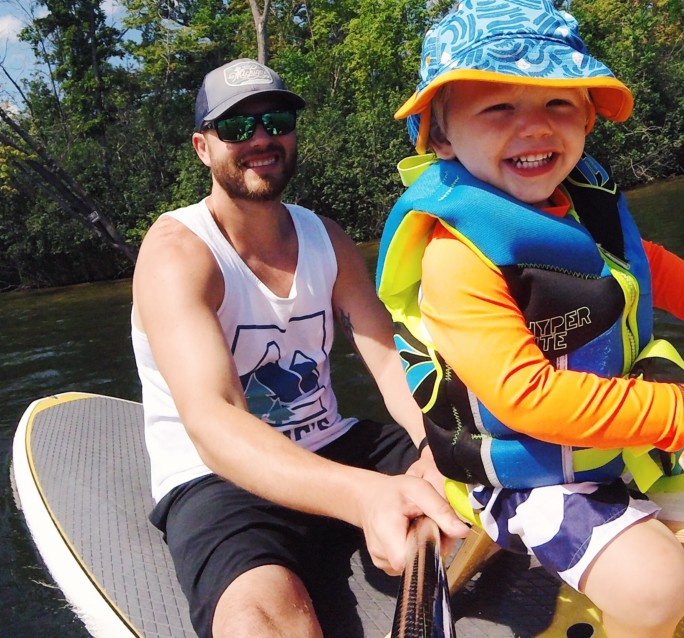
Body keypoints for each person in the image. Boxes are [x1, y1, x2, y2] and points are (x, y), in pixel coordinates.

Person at [376, 0, 684, 638]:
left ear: (587, 120)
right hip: (528, 477)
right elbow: (525, 397)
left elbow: (643, 264)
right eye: (498, 107)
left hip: (599, 430)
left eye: (558, 103)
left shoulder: (571, 206)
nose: (535, 125)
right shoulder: (455, 258)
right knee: (657, 591)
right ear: (441, 136)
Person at [132, 58, 468, 638]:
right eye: (236, 128)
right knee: (260, 621)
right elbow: (215, 421)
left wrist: (432, 447)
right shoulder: (177, 252)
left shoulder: (325, 237)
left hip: (335, 442)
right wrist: (367, 498)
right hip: (219, 475)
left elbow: (389, 360)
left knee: (484, 467)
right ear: (202, 147)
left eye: (275, 119)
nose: (260, 138)